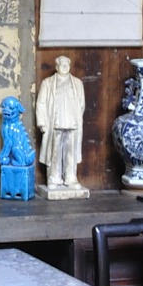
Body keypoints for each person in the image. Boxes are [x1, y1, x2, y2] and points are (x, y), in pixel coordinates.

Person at [36, 55, 86, 188]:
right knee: (55, 152)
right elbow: (41, 103)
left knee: (70, 153)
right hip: (55, 124)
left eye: (67, 64)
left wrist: (75, 118)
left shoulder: (77, 83)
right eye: (62, 64)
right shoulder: (48, 83)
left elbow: (81, 104)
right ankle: (54, 177)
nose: (64, 67)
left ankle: (70, 177)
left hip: (72, 124)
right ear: (56, 67)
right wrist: (42, 123)